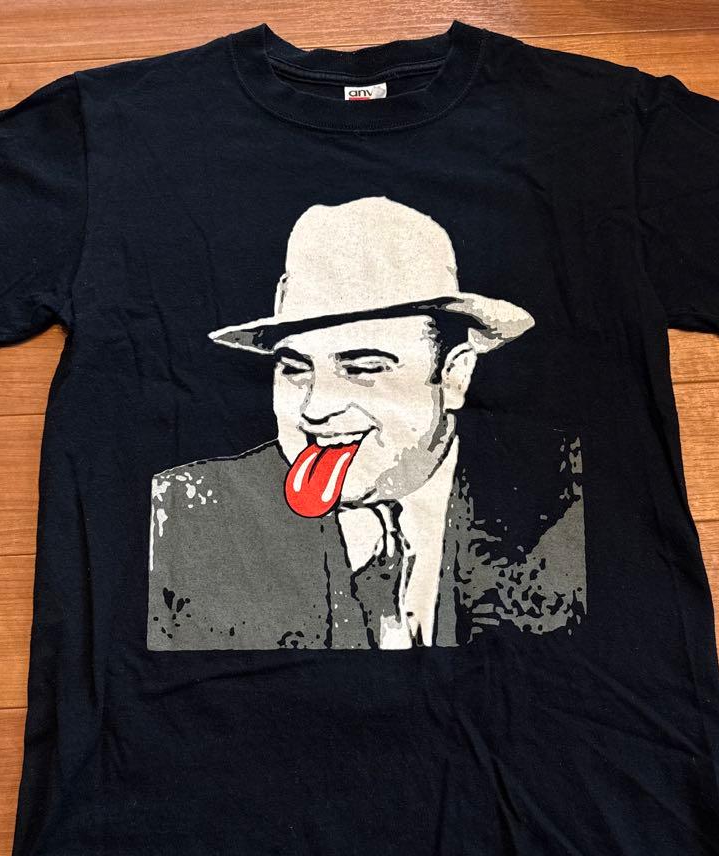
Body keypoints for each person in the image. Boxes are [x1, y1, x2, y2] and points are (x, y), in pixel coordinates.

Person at [148, 196, 586, 649]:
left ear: (454, 377)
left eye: (362, 368)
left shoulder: (565, 495)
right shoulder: (183, 515)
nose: (315, 409)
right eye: (295, 368)